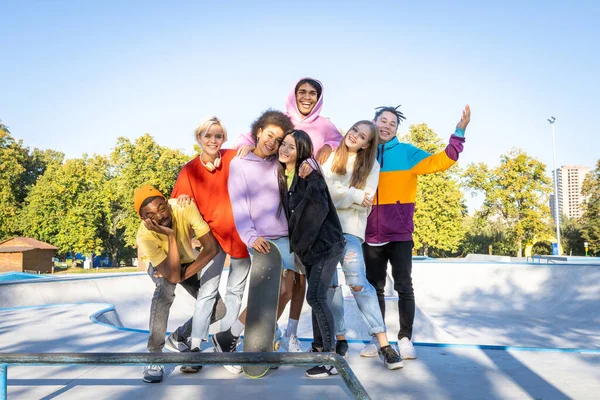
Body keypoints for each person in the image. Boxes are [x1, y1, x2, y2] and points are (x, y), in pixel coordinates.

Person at [236, 78, 343, 350]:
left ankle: (325, 346)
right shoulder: (281, 127)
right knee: (294, 292)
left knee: (318, 294)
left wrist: (315, 158)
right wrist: (246, 146)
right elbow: (253, 137)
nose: (307, 97)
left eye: (313, 93)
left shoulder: (322, 130)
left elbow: (339, 142)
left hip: (314, 240)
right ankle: (270, 338)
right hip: (290, 236)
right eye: (302, 92)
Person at [362, 105, 471, 359]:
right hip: (369, 234)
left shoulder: (407, 153)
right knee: (373, 289)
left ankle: (405, 339)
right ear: (374, 122)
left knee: (404, 287)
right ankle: (376, 339)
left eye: (392, 123)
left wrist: (460, 131)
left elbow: (443, 161)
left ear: (396, 129)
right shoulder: (363, 154)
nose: (387, 126)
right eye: (383, 121)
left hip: (399, 233)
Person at [211, 109, 296, 374]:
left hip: (285, 236)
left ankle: (260, 341)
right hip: (259, 238)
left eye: (278, 139)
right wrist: (250, 236)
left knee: (286, 291)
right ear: (259, 131)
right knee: (267, 293)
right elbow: (239, 202)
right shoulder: (241, 162)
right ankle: (229, 337)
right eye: (269, 134)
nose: (272, 142)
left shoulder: (277, 162)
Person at [322, 120, 403, 369]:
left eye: (362, 135)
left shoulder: (371, 165)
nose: (355, 136)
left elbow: (365, 199)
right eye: (354, 130)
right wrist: (354, 195)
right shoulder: (331, 156)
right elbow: (324, 191)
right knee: (330, 286)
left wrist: (343, 193)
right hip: (324, 230)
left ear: (368, 143)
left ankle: (384, 343)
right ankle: (340, 339)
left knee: (357, 283)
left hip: (350, 232)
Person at [171, 117, 252, 352]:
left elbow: (257, 154)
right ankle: (196, 343)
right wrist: (183, 199)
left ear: (223, 138)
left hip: (241, 235)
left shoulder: (233, 157)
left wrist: (247, 147)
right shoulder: (189, 170)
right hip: (213, 238)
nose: (213, 140)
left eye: (218, 136)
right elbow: (178, 204)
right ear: (199, 138)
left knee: (236, 291)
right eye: (208, 135)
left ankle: (225, 344)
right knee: (207, 290)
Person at [135, 185, 222, 383]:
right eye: (151, 215)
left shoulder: (184, 207)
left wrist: (185, 274)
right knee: (165, 290)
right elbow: (171, 276)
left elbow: (211, 248)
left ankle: (179, 337)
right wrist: (171, 236)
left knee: (218, 309)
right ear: (144, 219)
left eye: (161, 208)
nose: (159, 216)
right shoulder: (144, 236)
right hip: (163, 265)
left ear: (167, 202)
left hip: (188, 264)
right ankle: (155, 354)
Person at [278, 129, 346, 378]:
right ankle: (320, 348)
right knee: (317, 297)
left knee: (317, 297)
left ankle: (330, 358)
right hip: (312, 250)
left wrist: (300, 244)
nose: (284, 150)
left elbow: (317, 211)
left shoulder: (309, 174)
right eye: (283, 144)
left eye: (291, 147)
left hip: (325, 246)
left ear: (302, 152)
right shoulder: (289, 173)